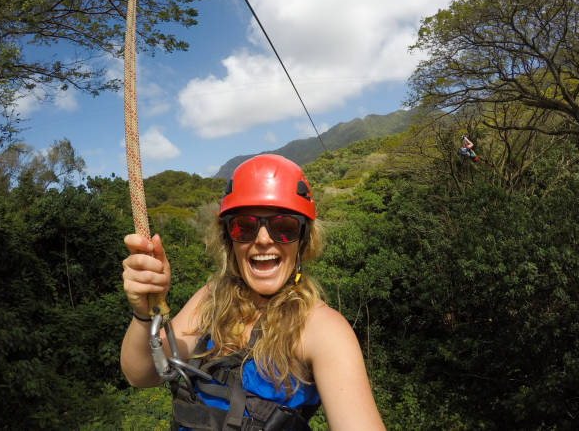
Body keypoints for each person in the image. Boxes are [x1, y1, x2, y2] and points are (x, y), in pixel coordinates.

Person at [120, 154, 386, 430]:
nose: (262, 239)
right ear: (229, 240)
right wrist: (143, 314)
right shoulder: (211, 299)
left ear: (303, 240)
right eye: (244, 226)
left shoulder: (321, 329)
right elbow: (140, 374)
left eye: (284, 227)